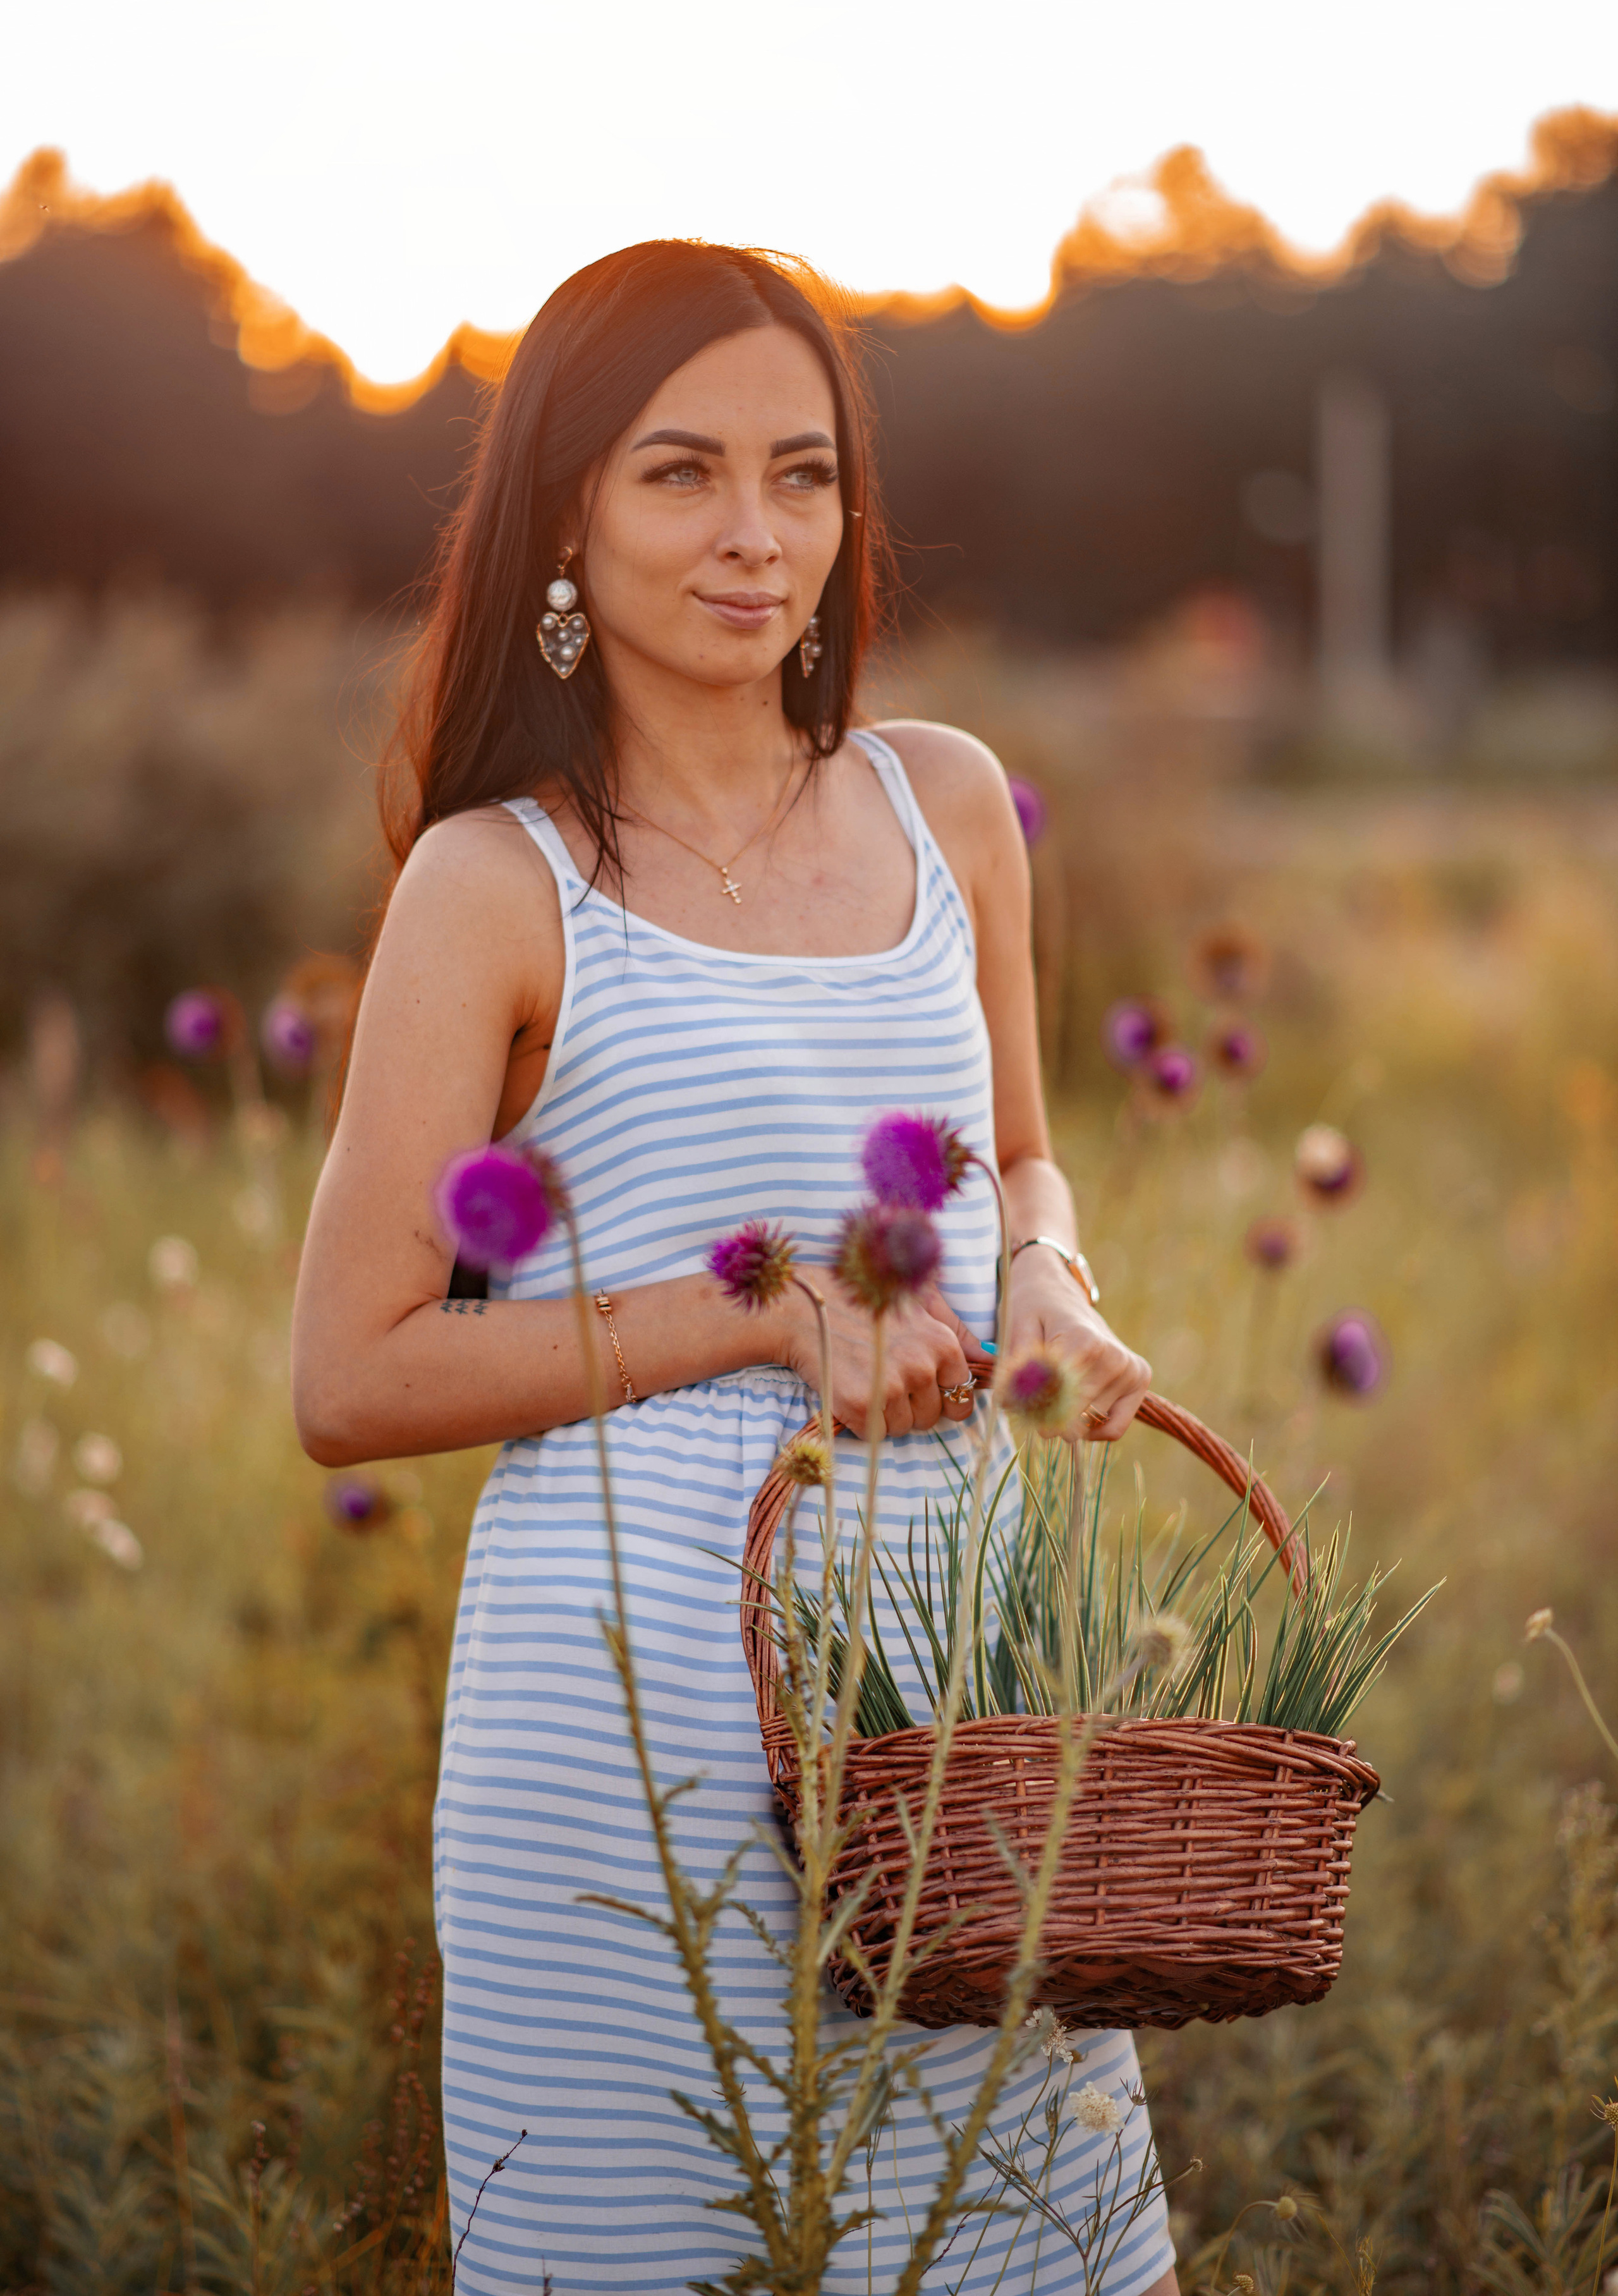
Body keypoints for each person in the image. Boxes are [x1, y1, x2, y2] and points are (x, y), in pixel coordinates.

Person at [292, 240, 1177, 2296]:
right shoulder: (495, 881)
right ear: (568, 518)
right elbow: (349, 1371)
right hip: (629, 1717)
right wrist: (773, 1301)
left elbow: (1023, 1160)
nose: (757, 535)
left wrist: (1046, 1276)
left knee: (1025, 2241)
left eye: (802, 473)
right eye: (681, 472)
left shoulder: (945, 804)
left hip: (959, 1684)